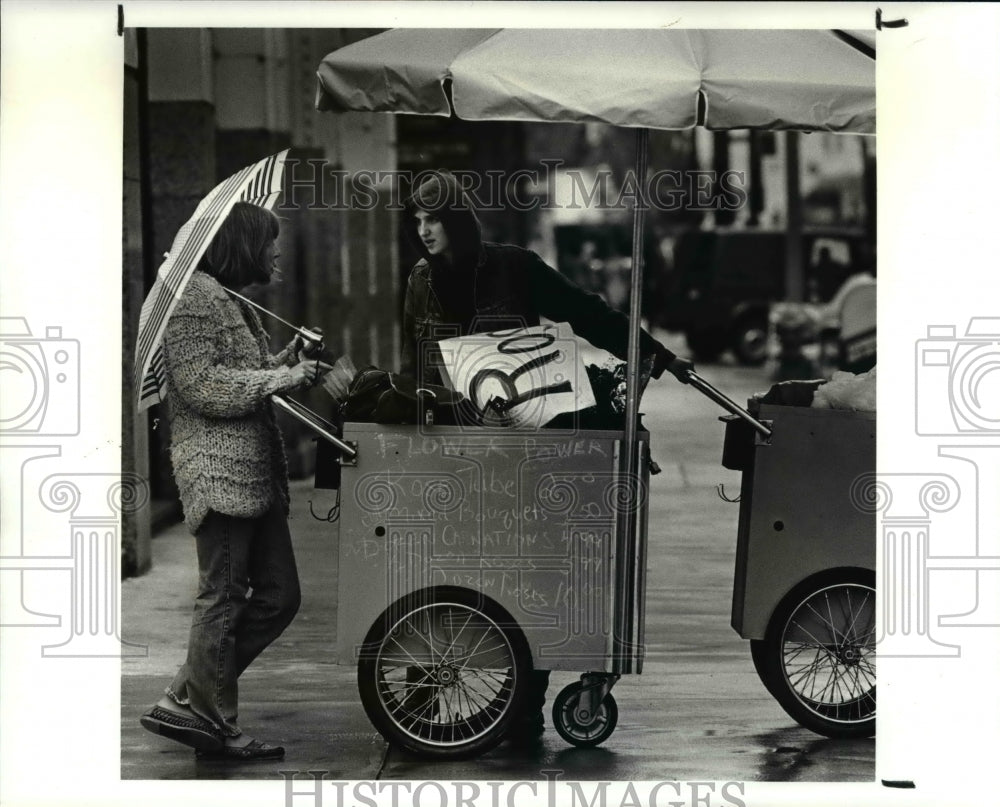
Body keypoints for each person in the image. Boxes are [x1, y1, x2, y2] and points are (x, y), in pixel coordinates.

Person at [400, 171, 693, 738]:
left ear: (456, 220)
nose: (423, 231)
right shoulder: (419, 282)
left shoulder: (515, 266)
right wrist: (437, 409)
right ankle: (428, 686)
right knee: (453, 567)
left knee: (525, 570)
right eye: (416, 221)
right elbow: (416, 366)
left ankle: (523, 705)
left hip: (525, 442)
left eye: (432, 219)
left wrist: (658, 355)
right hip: (460, 444)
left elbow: (587, 313)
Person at [140, 202, 336, 761]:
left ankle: (185, 695)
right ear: (244, 244)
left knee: (279, 596)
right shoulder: (195, 301)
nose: (276, 253)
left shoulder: (228, 299)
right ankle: (214, 720)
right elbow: (203, 387)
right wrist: (285, 376)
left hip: (252, 475)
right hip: (219, 473)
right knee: (222, 597)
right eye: (270, 242)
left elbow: (242, 373)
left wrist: (288, 358)